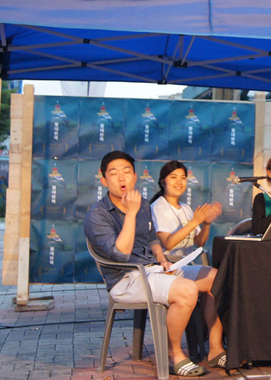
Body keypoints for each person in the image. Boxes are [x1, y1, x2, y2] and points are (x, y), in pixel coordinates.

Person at [84, 151, 208, 377]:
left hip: (153, 269)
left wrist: (161, 257)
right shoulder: (98, 215)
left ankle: (217, 348)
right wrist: (130, 214)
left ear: (135, 177)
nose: (121, 178)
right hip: (125, 279)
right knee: (187, 290)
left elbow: (151, 239)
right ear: (104, 180)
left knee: (213, 276)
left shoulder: (142, 204)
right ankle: (174, 354)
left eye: (126, 172)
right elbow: (121, 255)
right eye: (114, 173)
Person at [149, 160, 227, 370]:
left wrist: (206, 223)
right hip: (163, 269)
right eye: (173, 177)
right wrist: (195, 222)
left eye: (183, 178)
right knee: (196, 286)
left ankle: (215, 348)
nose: (179, 182)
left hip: (183, 266)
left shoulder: (185, 207)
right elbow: (167, 243)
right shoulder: (158, 207)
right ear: (163, 181)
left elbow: (198, 242)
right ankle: (175, 353)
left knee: (217, 278)